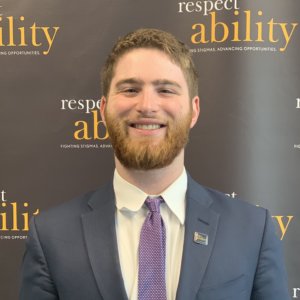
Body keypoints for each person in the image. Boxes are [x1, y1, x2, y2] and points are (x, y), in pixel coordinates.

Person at [20, 28, 290, 300]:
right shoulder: (51, 237)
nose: (147, 105)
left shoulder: (252, 231)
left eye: (165, 90)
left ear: (194, 110)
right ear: (103, 110)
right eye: (130, 89)